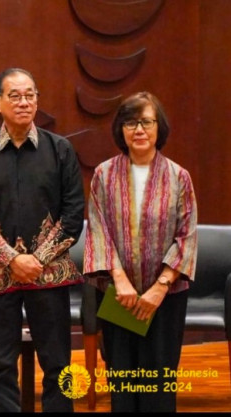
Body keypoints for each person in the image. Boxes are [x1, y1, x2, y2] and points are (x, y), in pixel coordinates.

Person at [0, 68, 84, 412]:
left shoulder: (60, 149)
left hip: (50, 274)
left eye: (30, 95)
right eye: (15, 95)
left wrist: (37, 261)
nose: (24, 102)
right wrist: (13, 260)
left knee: (58, 361)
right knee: (2, 363)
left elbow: (73, 216)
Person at [83, 92, 197, 412]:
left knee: (158, 384)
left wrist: (159, 288)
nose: (139, 129)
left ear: (159, 128)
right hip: (120, 296)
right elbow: (98, 229)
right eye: (131, 122)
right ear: (121, 129)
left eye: (147, 121)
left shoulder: (179, 177)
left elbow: (186, 235)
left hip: (165, 298)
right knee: (123, 383)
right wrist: (120, 281)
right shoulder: (104, 175)